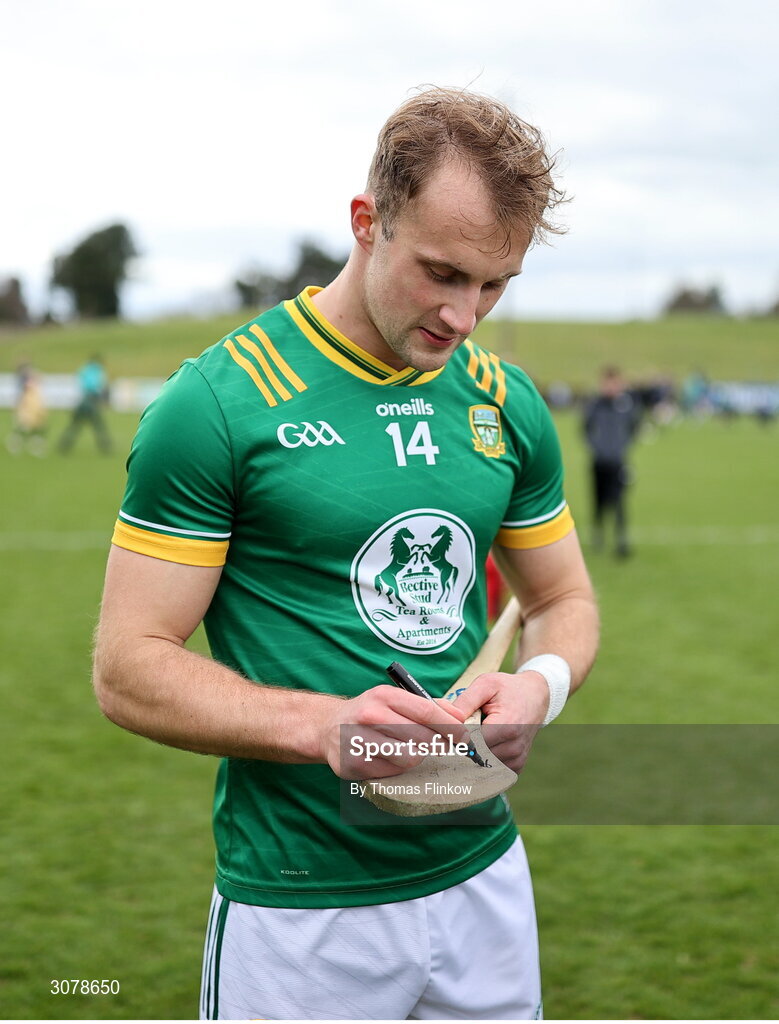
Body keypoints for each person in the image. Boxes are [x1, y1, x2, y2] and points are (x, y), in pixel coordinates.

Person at [93, 87, 599, 1021]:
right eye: (441, 272)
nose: (463, 317)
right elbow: (128, 670)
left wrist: (541, 686)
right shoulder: (218, 405)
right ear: (367, 222)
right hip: (298, 909)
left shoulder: (505, 401)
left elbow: (563, 596)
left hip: (484, 877)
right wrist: (327, 728)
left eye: (494, 285)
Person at [583, 366, 641, 558]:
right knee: (598, 500)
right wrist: (595, 446)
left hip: (618, 461)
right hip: (599, 460)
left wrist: (623, 446)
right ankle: (598, 533)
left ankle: (621, 541)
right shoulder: (595, 404)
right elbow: (585, 428)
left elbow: (634, 426)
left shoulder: (626, 405)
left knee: (619, 501)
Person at [58, 354, 112, 454]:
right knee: (99, 426)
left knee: (74, 426)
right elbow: (99, 386)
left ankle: (63, 445)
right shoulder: (98, 370)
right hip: (92, 401)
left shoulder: (84, 369)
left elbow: (81, 382)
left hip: (83, 401)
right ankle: (106, 447)